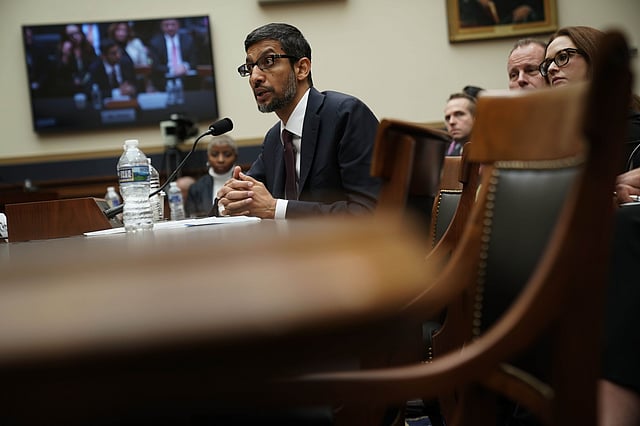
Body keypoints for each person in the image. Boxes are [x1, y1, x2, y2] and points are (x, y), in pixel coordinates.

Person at [542, 25, 640, 426]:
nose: (551, 69)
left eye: (563, 57)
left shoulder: (634, 124)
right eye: (548, 62)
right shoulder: (559, 135)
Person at [216, 23, 381, 219]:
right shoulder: (274, 139)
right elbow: (245, 194)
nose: (255, 77)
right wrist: (229, 198)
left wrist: (275, 209)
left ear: (302, 68)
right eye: (250, 67)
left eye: (268, 61)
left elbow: (369, 213)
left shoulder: (346, 116)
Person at [185, 135, 238, 217]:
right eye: (214, 154)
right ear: (208, 157)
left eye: (227, 154)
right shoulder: (196, 188)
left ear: (235, 156)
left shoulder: (245, 182)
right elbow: (191, 217)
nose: (221, 160)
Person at [147, 18, 199, 91]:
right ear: (161, 27)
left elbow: (194, 61)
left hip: (187, 77)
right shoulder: (155, 42)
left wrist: (185, 67)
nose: (170, 28)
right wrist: (173, 69)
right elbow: (155, 65)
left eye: (173, 24)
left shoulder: (188, 40)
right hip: (164, 78)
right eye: (166, 25)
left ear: (178, 25)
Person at [55, 24, 97, 96]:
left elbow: (94, 65)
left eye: (77, 33)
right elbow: (60, 72)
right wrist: (65, 55)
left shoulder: (88, 48)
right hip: (70, 86)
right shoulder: (62, 49)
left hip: (88, 83)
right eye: (71, 35)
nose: (75, 36)